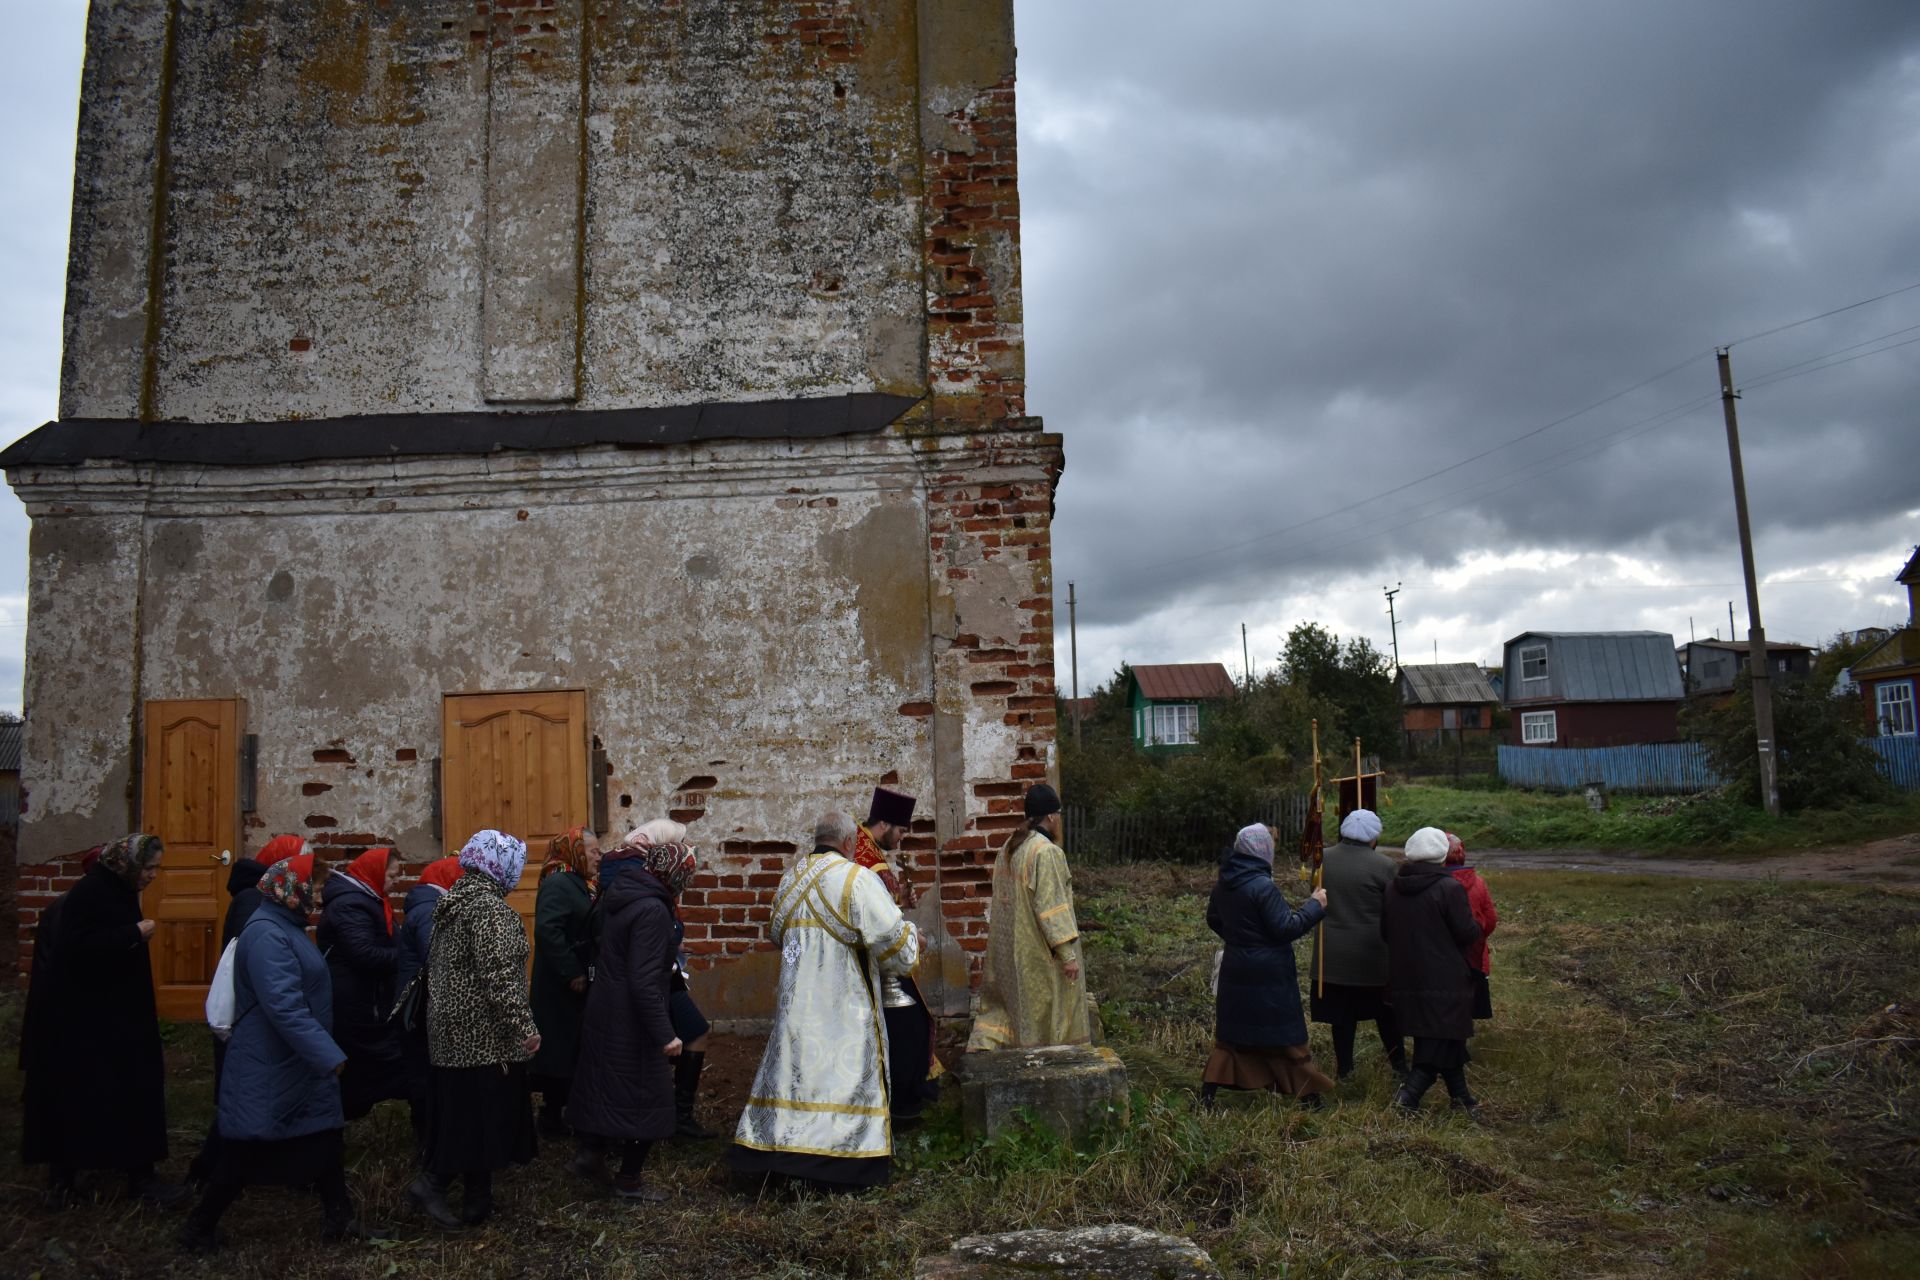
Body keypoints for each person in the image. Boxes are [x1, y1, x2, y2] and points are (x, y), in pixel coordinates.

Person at [177, 853, 362, 1251]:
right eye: (313, 887)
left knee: (326, 1138)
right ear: (289, 889)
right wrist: (327, 1054)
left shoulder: (285, 926)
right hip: (270, 1061)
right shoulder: (266, 934)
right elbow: (283, 1005)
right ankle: (198, 1228)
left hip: (292, 1059)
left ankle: (340, 1219)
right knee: (244, 1150)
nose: (318, 895)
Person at [729, 811, 919, 1190]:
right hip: (843, 1008)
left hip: (797, 1004)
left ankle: (777, 1160)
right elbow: (897, 945)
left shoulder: (789, 880)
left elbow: (776, 935)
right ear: (850, 843)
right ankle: (844, 1166)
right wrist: (913, 934)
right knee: (841, 1079)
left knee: (793, 1078)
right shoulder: (857, 879)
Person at [28, 834, 188, 1209]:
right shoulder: (91, 894)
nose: (152, 876)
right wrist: (134, 933)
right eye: (148, 868)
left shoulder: (115, 890)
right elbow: (80, 949)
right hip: (89, 1021)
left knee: (129, 1091)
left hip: (115, 1015)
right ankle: (71, 1179)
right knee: (87, 1094)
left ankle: (137, 1173)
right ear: (127, 864)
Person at [408, 830, 540, 1229]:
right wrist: (525, 1027)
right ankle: (432, 1185)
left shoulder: (452, 903)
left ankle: (477, 1199)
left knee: (467, 1114)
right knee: (478, 1117)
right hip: (483, 1036)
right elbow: (500, 978)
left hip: (449, 1033)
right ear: (502, 867)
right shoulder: (491, 912)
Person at [568, 836, 693, 1199]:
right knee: (646, 1097)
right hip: (631, 1018)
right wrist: (665, 1034)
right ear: (675, 874)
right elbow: (643, 978)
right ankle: (629, 1181)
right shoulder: (653, 910)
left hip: (605, 1007)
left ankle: (590, 1156)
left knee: (605, 1087)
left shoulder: (626, 893)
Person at [1201, 824, 1334, 1108]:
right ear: (1263, 851)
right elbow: (1286, 928)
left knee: (1232, 1037)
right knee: (1286, 1037)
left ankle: (1208, 1096)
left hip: (1236, 968)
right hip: (1269, 974)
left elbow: (1213, 918)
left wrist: (1241, 941)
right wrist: (1315, 906)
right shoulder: (1263, 886)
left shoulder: (1225, 882)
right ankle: (1311, 1098)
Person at [186, 837, 292, 1185]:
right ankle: (210, 1172)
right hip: (248, 1014)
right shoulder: (252, 900)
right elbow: (258, 957)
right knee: (243, 1094)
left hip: (255, 1012)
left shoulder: (254, 897)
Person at [965, 784, 1090, 1051]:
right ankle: (1050, 1065)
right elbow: (1051, 907)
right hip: (1038, 952)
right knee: (1048, 1015)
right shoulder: (1046, 852)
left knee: (1018, 1011)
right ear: (1052, 817)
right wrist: (1067, 955)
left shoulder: (1011, 847)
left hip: (1011, 951)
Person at [19, 845, 102, 1203]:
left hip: (58, 1015)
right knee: (67, 1093)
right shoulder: (78, 911)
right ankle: (62, 1175)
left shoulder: (66, 907)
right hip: (67, 1019)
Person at [1383, 827, 1485, 1117]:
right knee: (1440, 1039)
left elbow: (1384, 932)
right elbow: (1466, 933)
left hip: (1405, 976)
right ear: (1442, 857)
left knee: (1443, 1036)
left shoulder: (1392, 888)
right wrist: (1476, 924)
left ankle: (1462, 1100)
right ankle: (1408, 1096)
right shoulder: (1449, 888)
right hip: (1445, 978)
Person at [852, 786, 938, 1121]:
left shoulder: (863, 844)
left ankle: (913, 1087)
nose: (901, 838)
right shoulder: (869, 859)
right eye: (901, 831)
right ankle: (903, 1099)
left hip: (874, 950)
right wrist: (910, 934)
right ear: (885, 824)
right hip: (871, 960)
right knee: (908, 1021)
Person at [628, 818, 717, 1139]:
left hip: (665, 980)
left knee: (694, 1031)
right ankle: (672, 1116)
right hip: (655, 984)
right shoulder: (642, 889)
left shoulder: (650, 885)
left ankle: (678, 1114)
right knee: (678, 1038)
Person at [1309, 809, 1408, 1080]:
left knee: (1342, 1016)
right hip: (1372, 955)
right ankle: (1399, 1067)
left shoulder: (1323, 859)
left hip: (1331, 955)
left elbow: (1314, 895)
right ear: (1374, 837)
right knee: (1386, 1014)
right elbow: (1394, 907)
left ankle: (1344, 1069)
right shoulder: (1384, 866)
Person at [317, 846, 407, 1121]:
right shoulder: (350, 904)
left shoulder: (369, 899)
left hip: (368, 998)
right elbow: (364, 954)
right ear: (375, 873)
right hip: (355, 1001)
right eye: (390, 876)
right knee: (361, 1068)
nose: (394, 883)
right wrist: (408, 958)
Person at [529, 826, 600, 1138]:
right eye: (593, 850)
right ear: (575, 851)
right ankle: (552, 1117)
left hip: (574, 984)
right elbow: (548, 931)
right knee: (559, 1050)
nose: (599, 856)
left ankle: (566, 1111)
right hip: (560, 986)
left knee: (570, 1049)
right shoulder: (559, 883)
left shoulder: (579, 882)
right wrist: (572, 971)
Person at [395, 854, 465, 1147]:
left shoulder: (426, 905)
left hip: (421, 1005)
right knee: (426, 1074)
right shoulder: (429, 910)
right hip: (423, 1007)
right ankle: (429, 1143)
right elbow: (438, 958)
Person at [1445, 833, 1498, 1020]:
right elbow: (1490, 919)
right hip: (1473, 951)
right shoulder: (1478, 883)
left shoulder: (1437, 884)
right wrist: (1479, 936)